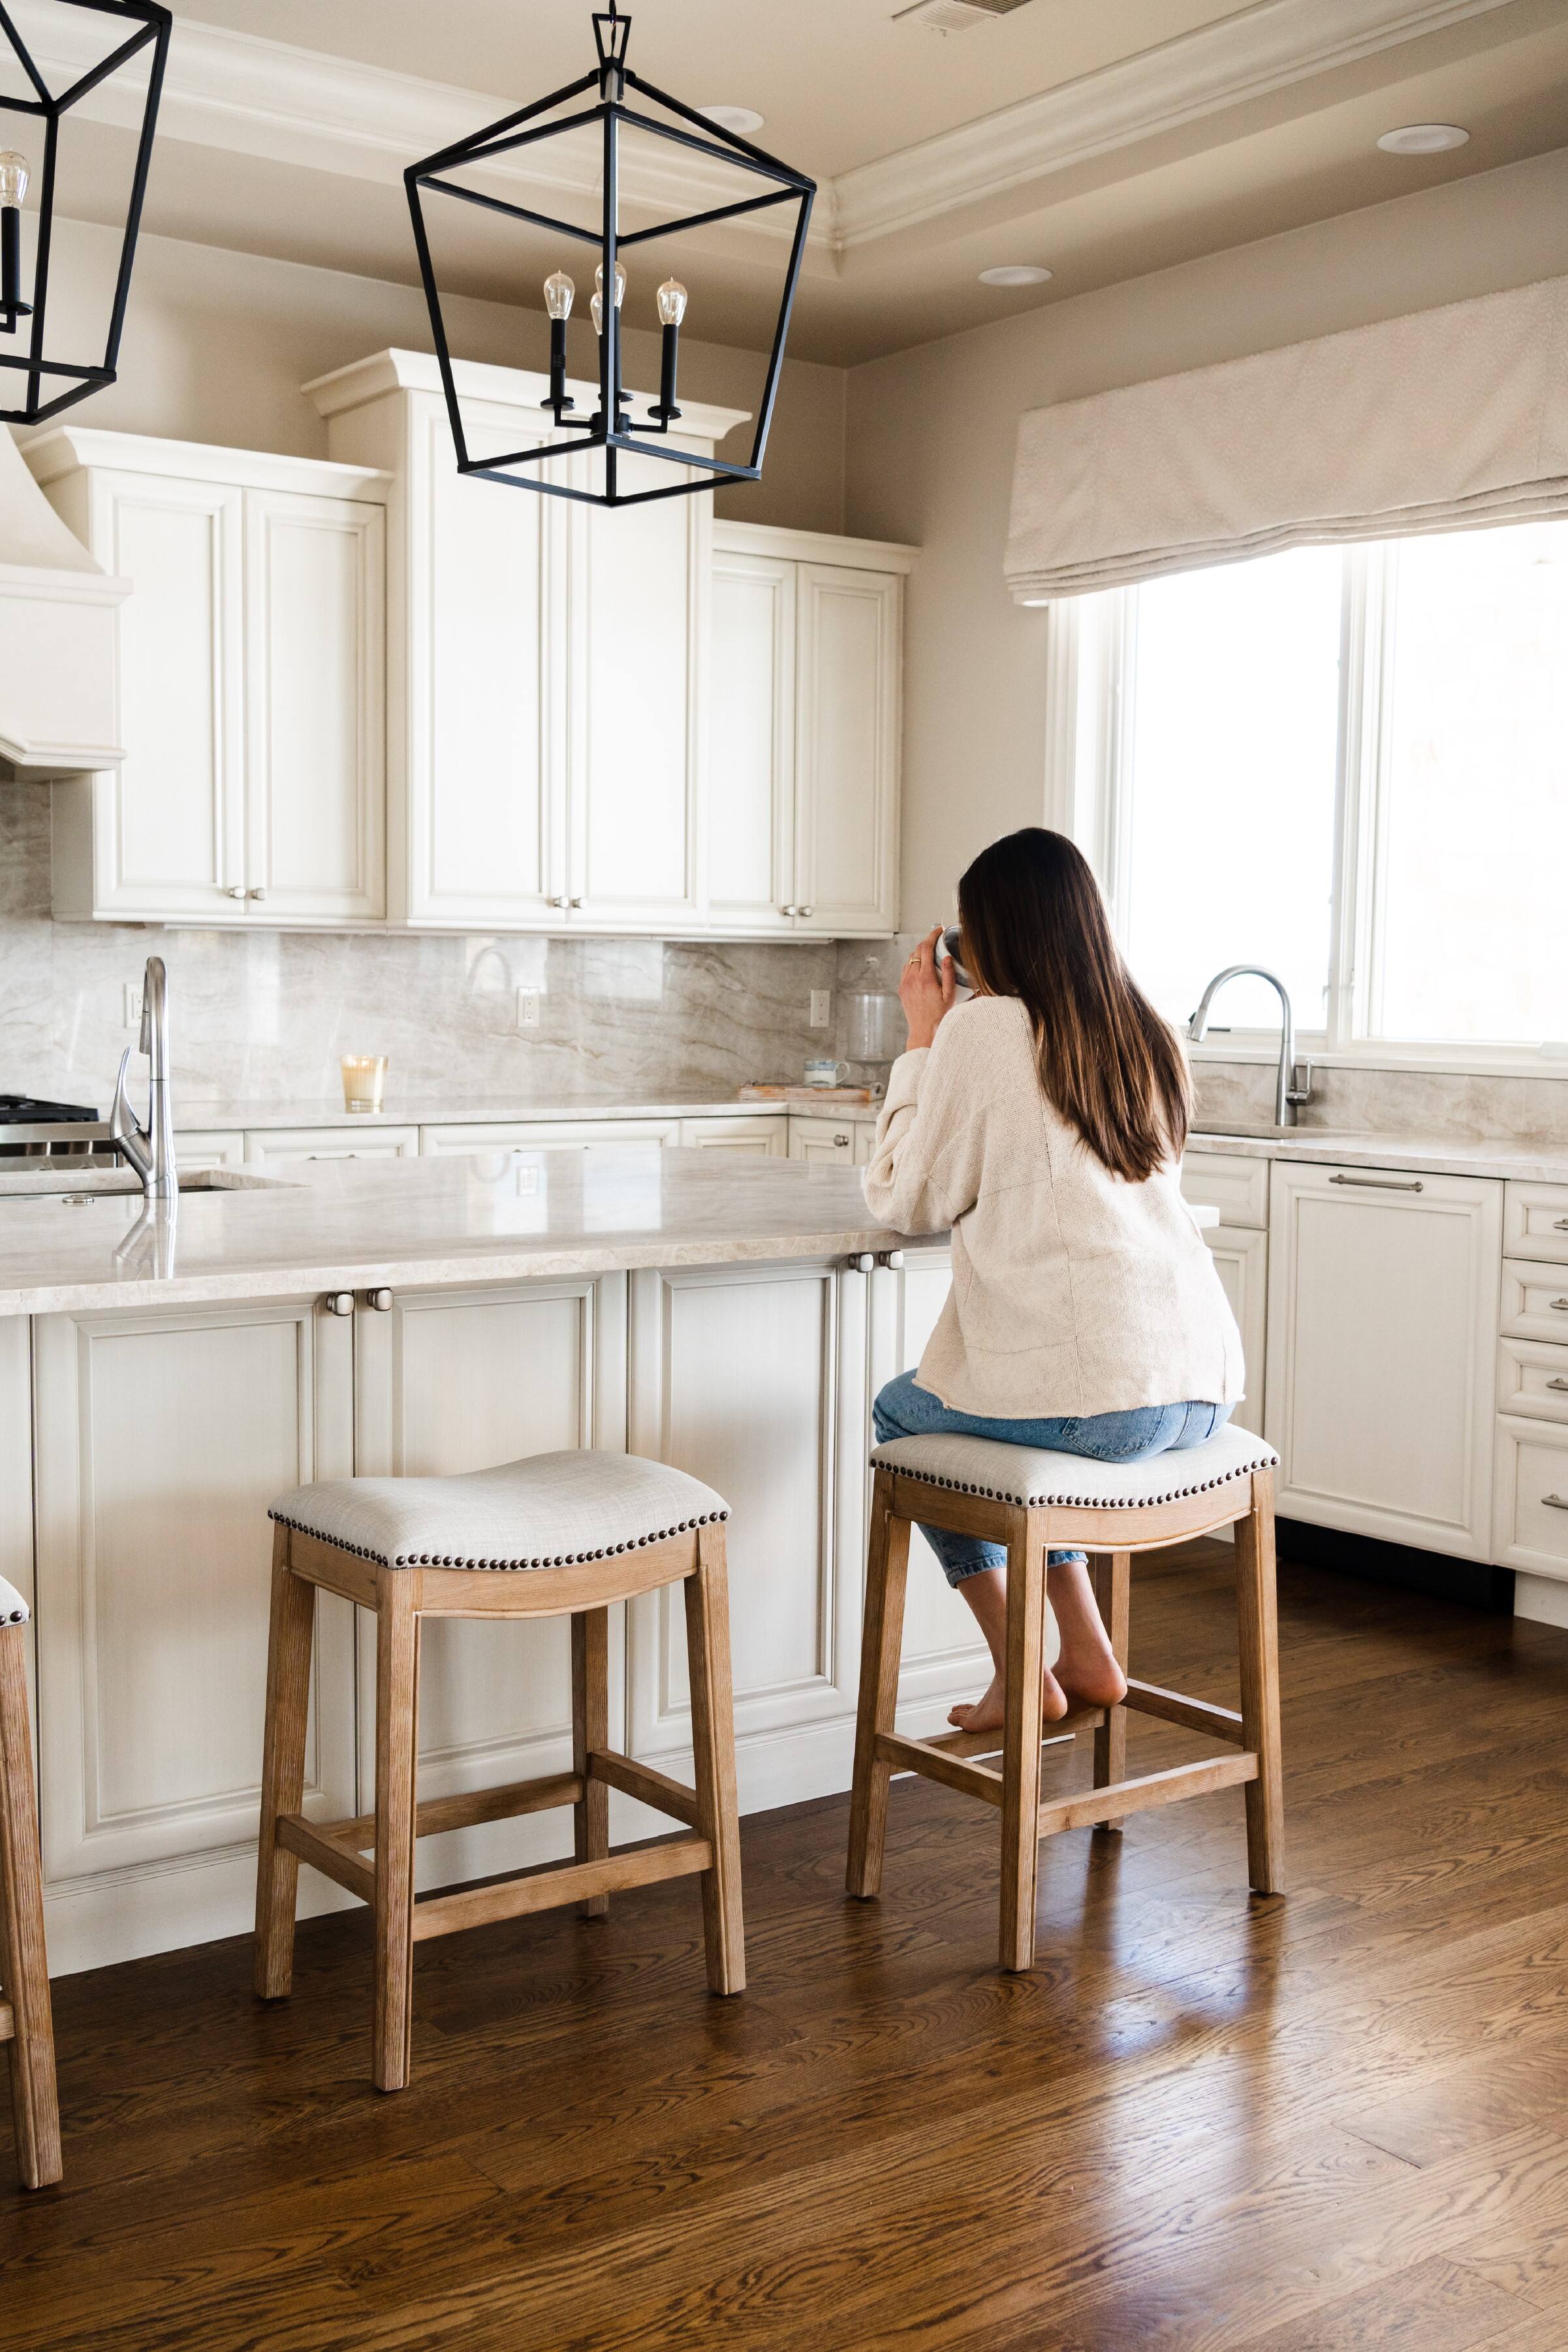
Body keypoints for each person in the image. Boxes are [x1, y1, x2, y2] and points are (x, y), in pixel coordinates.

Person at [862, 827, 1243, 1735]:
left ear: (992, 934)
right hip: (1200, 1387)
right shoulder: (1145, 1029)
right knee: (1041, 1413)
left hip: (1102, 1404)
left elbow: (903, 1197)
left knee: (901, 1411)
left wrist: (921, 1038)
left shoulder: (984, 1029)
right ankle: (1085, 1648)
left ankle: (1019, 1666)